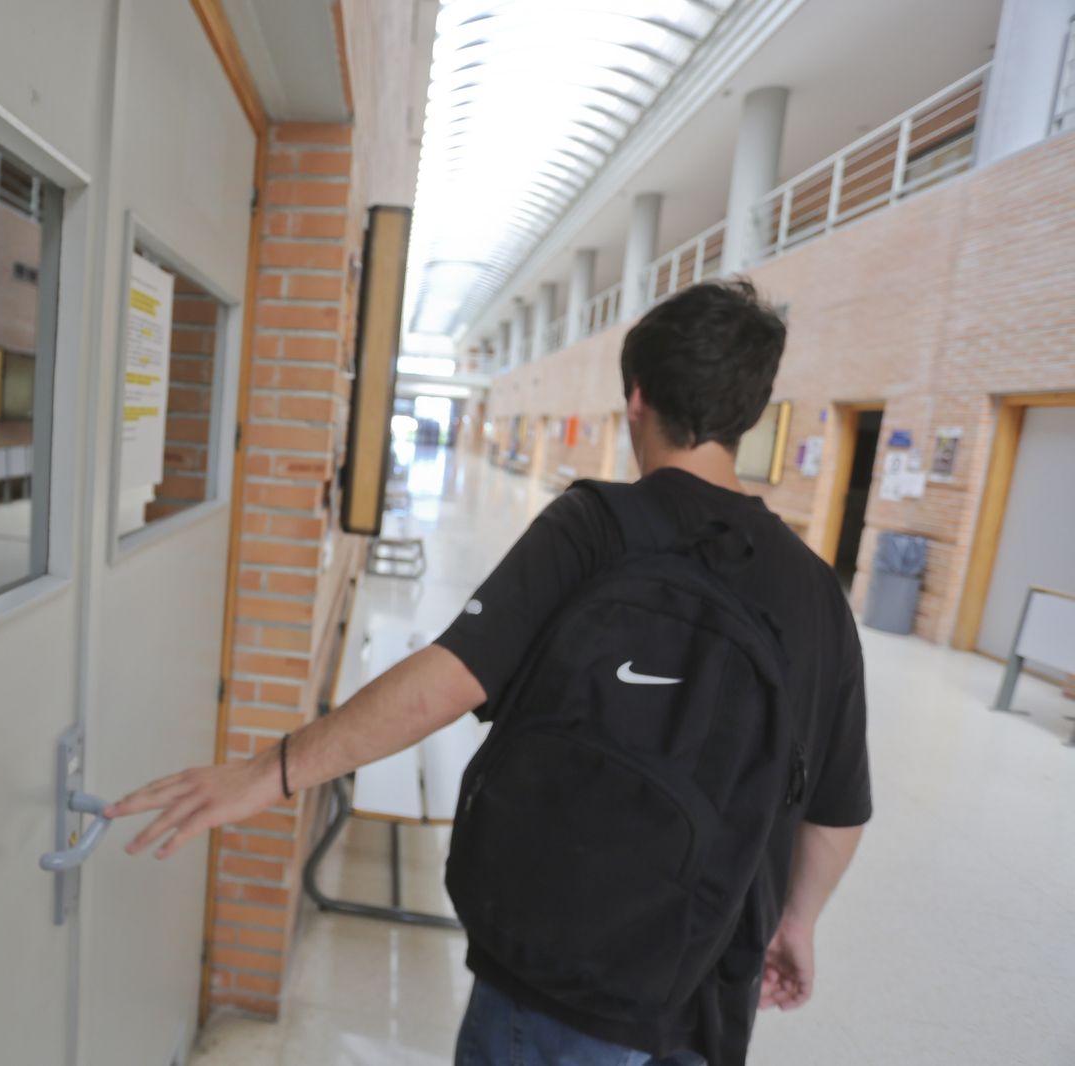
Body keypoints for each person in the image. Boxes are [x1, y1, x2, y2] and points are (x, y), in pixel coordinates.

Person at [107, 280, 870, 1066]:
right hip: (704, 995)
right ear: (747, 413)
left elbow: (447, 679)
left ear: (636, 397)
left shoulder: (597, 528)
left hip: (553, 983)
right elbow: (838, 810)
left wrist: (269, 773)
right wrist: (797, 923)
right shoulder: (815, 594)